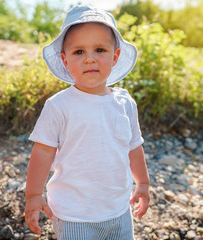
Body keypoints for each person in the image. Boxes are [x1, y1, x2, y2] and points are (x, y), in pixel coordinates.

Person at [24, 5, 150, 239]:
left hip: (119, 211)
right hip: (74, 215)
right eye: (79, 52)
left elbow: (134, 146)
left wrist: (142, 183)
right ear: (64, 60)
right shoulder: (59, 105)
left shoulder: (124, 102)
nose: (89, 59)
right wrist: (33, 194)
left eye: (99, 49)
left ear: (115, 56)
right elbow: (42, 151)